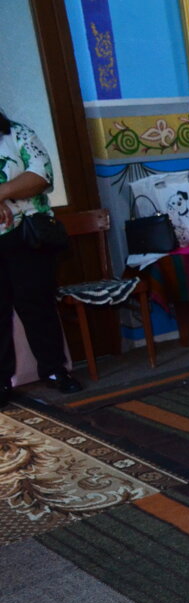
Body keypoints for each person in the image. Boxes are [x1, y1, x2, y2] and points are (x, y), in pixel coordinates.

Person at [0, 109, 83, 401]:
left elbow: (40, 176)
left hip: (28, 235)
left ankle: (55, 370)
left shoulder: (18, 133)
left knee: (37, 303)